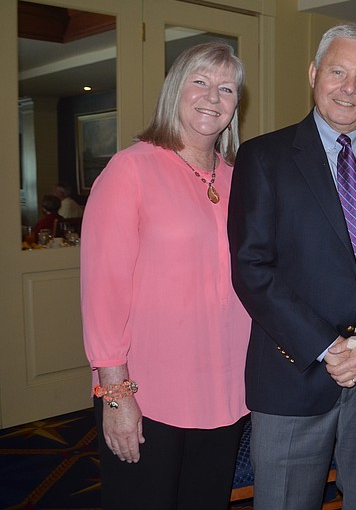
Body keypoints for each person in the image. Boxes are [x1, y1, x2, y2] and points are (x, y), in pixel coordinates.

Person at [228, 23, 356, 510]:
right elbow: (252, 268)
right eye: (338, 72)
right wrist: (329, 347)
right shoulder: (264, 157)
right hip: (292, 376)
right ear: (314, 73)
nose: (349, 88)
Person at [81, 42, 251, 510]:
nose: (212, 98)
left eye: (225, 88)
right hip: (147, 392)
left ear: (237, 104)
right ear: (175, 88)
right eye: (199, 82)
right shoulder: (130, 170)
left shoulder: (242, 178)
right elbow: (103, 292)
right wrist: (115, 395)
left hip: (225, 389)